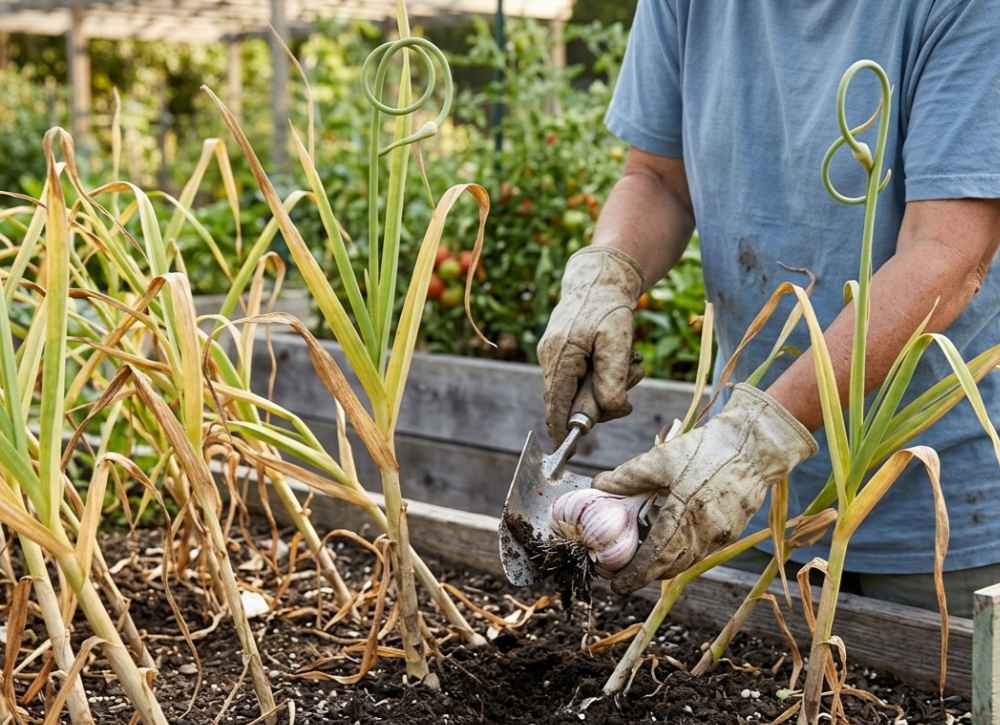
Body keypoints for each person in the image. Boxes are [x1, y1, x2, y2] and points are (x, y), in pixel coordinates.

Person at [537, 0, 1000, 618]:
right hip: (737, 498)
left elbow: (947, 255)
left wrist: (756, 439)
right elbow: (657, 178)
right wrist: (605, 274)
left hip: (941, 509)